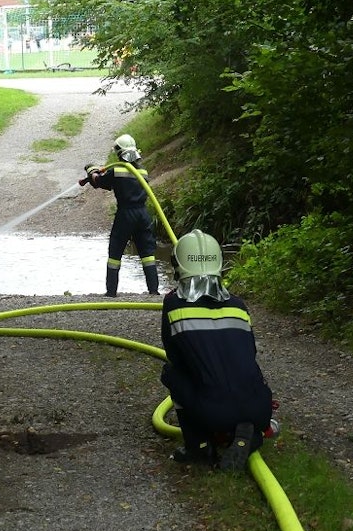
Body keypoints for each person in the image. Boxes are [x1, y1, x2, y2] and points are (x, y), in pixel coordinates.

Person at [160, 229, 274, 471]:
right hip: (259, 407)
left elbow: (176, 358)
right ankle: (252, 433)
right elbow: (249, 353)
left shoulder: (173, 305)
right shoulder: (238, 305)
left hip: (213, 413)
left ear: (178, 266)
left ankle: (199, 446)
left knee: (170, 373)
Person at [82, 134, 160, 297]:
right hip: (142, 214)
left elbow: (98, 182)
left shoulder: (116, 170)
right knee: (147, 253)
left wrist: (91, 170)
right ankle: (153, 291)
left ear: (119, 152)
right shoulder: (143, 171)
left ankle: (111, 292)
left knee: (115, 251)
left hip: (126, 214)